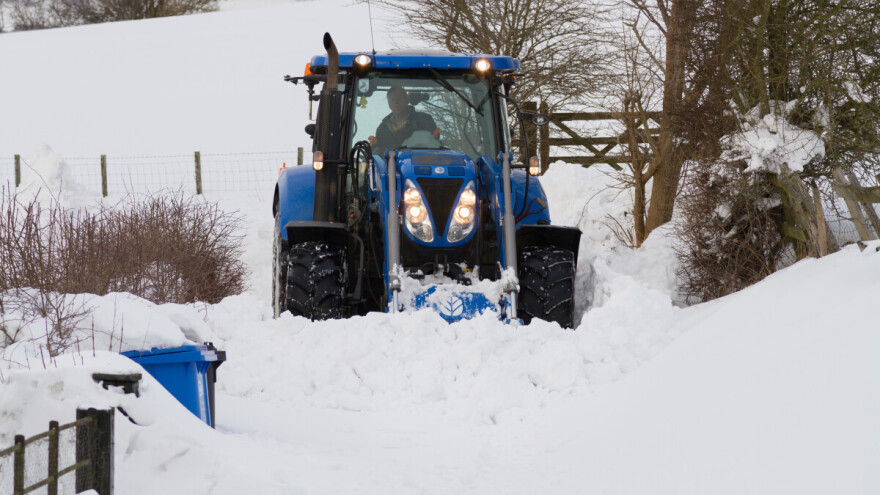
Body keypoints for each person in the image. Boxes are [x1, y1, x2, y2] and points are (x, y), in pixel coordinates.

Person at [369, 85, 440, 151]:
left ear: (407, 100)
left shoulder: (424, 120)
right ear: (389, 103)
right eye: (393, 100)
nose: (396, 102)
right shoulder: (383, 128)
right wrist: (373, 148)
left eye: (399, 98)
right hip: (392, 164)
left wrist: (406, 132)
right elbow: (379, 153)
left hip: (421, 163)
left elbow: (435, 142)